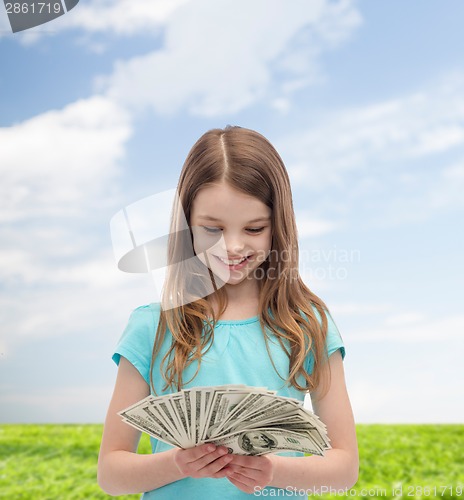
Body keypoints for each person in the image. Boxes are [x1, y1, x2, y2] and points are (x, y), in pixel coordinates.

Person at [98, 126, 359, 498]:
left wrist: (272, 470)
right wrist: (175, 463)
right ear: (186, 223)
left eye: (254, 228)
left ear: (278, 227)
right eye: (212, 228)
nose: (233, 247)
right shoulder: (152, 327)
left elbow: (344, 467)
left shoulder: (308, 325)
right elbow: (111, 473)